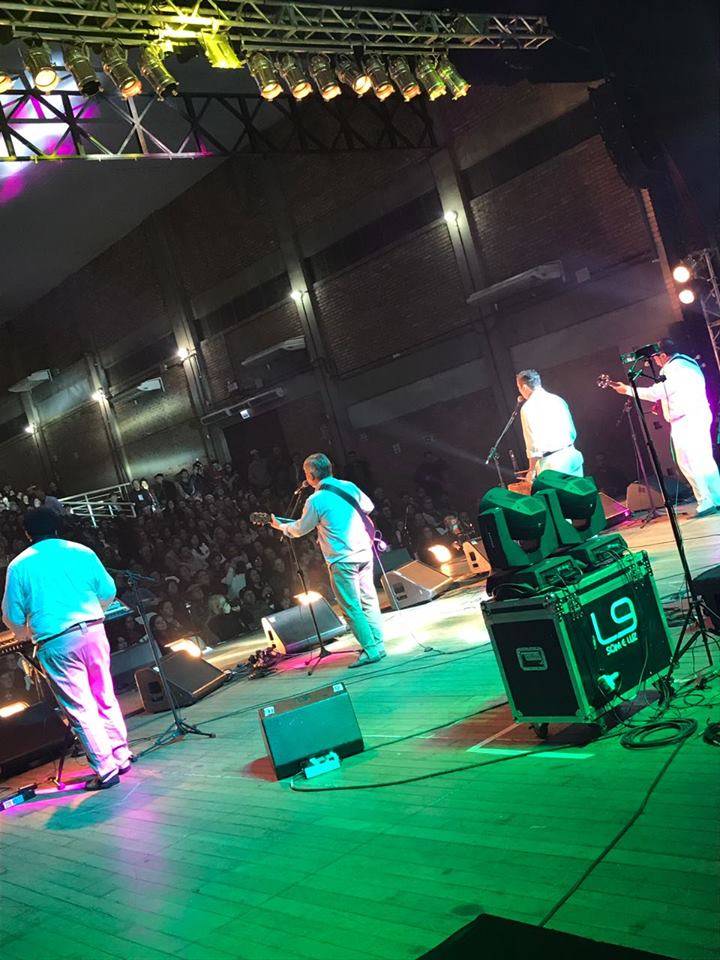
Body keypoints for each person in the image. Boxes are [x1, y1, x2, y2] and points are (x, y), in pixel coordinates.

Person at [1, 508, 132, 791]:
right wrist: (94, 612)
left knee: (80, 707)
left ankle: (106, 769)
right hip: (93, 630)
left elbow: (11, 614)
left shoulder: (19, 565)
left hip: (56, 640)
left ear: (26, 533)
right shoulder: (81, 551)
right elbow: (108, 590)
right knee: (104, 695)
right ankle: (121, 755)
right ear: (57, 527)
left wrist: (25, 633)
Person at [270, 453, 386, 668]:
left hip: (342, 559)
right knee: (369, 601)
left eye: (306, 473)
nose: (305, 477)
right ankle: (378, 645)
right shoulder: (348, 486)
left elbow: (300, 529)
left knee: (351, 608)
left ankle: (371, 650)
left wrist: (281, 526)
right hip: (364, 551)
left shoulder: (315, 500)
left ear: (312, 474)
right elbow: (368, 507)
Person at [607, 339, 720, 517]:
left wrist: (628, 390)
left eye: (655, 357)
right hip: (697, 414)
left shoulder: (673, 369)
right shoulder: (688, 362)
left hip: (686, 421)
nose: (654, 361)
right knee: (704, 460)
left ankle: (705, 501)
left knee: (689, 462)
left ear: (663, 355)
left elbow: (655, 392)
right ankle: (717, 497)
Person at [516, 369, 584, 479]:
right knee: (578, 490)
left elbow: (532, 444)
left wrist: (532, 470)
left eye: (519, 388)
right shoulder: (557, 399)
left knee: (557, 491)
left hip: (552, 464)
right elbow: (571, 431)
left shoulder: (527, 408)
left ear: (524, 387)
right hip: (572, 455)